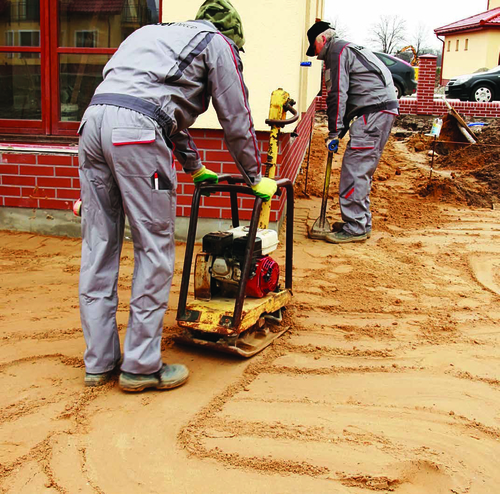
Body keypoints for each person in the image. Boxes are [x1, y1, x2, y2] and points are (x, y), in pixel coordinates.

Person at [78, 0, 276, 392]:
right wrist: (255, 176)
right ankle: (140, 366)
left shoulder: (150, 35)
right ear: (233, 37)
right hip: (135, 137)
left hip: (91, 127)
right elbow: (234, 116)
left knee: (98, 246)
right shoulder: (217, 43)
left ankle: (100, 362)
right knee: (154, 248)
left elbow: (151, 105)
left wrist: (194, 166)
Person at [306, 21, 399, 244]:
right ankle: (360, 223)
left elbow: (338, 95)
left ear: (322, 40)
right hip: (378, 111)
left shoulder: (336, 53)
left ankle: (355, 226)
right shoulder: (348, 49)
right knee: (360, 169)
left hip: (373, 115)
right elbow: (352, 97)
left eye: (315, 49)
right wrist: (340, 130)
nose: (317, 56)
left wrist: (333, 131)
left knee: (355, 170)